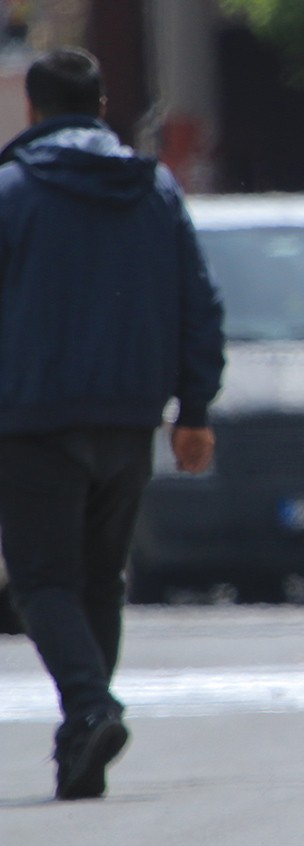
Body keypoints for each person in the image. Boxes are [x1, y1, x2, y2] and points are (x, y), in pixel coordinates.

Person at [0, 48, 225, 800]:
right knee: (101, 578)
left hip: (31, 419)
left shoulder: (11, 193)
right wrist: (193, 410)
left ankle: (91, 707)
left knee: (40, 580)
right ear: (101, 108)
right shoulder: (153, 188)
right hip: (131, 419)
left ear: (33, 111)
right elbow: (199, 304)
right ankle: (79, 743)